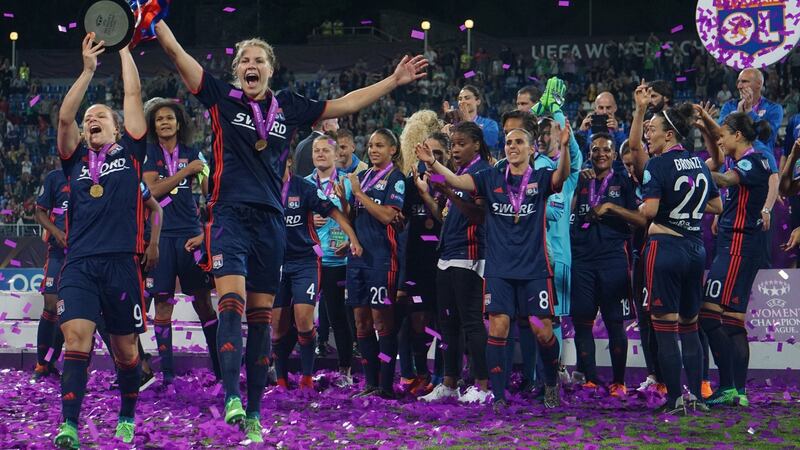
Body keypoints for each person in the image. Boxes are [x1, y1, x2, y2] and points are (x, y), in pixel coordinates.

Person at [153, 20, 426, 441]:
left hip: (270, 222)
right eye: (244, 59)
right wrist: (154, 19)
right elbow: (175, 53)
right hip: (228, 215)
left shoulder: (288, 105)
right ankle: (231, 396)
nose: (251, 64)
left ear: (270, 69)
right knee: (231, 303)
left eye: (258, 59)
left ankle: (256, 414)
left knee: (262, 320)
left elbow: (345, 105)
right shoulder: (220, 97)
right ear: (236, 70)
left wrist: (394, 80)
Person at [54, 33, 163, 447]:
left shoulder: (132, 155)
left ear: (119, 128)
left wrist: (123, 49)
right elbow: (65, 118)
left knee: (126, 354)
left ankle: (127, 415)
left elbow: (133, 92)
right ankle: (69, 424)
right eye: (89, 119)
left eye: (100, 116)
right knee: (76, 337)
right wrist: (87, 71)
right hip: (80, 263)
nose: (91, 120)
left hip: (122, 265)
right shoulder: (75, 162)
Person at [418, 123, 572, 408]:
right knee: (498, 328)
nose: (512, 147)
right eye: (508, 143)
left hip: (534, 272)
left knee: (542, 330)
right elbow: (458, 181)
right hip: (500, 271)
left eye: (518, 142)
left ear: (532, 149)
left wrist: (563, 148)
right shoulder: (491, 178)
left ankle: (550, 383)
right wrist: (434, 163)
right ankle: (498, 396)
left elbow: (562, 176)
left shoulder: (540, 178)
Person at [637, 100, 722, 415]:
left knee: (664, 326)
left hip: (666, 248)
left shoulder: (657, 165)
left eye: (653, 129)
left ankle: (674, 400)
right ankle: (698, 397)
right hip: (696, 249)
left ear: (670, 134)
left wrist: (637, 210)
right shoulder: (700, 163)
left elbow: (651, 210)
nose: (649, 134)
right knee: (690, 325)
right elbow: (717, 207)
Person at [141, 98, 221, 386]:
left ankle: (220, 370)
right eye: (159, 119)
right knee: (163, 304)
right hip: (161, 236)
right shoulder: (149, 153)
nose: (164, 122)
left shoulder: (193, 152)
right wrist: (186, 172)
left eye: (170, 118)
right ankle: (167, 375)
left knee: (203, 303)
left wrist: (206, 175)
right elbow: (153, 191)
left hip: (190, 235)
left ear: (179, 123)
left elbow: (209, 191)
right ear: (154, 124)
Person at [272, 150, 361, 391]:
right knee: (278, 327)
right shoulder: (263, 188)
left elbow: (333, 211)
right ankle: (280, 378)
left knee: (303, 320)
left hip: (304, 261)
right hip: (275, 264)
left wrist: (352, 236)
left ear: (289, 161)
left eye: (279, 158)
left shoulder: (303, 187)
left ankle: (307, 379)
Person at [419, 122, 492, 404]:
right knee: (448, 325)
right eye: (454, 144)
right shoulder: (458, 173)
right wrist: (427, 191)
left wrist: (448, 190)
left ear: (476, 144)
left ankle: (483, 385)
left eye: (462, 143)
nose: (456, 149)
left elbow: (479, 215)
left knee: (472, 323)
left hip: (471, 256)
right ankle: (449, 383)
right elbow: (445, 215)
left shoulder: (483, 171)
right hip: (447, 254)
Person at [702, 113, 771, 408]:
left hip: (738, 246)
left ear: (739, 136)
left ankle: (730, 386)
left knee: (710, 314)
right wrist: (705, 123)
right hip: (737, 244)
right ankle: (737, 391)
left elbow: (725, 178)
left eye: (725, 135)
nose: (721, 139)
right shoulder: (751, 159)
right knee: (731, 320)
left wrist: (695, 173)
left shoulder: (751, 163)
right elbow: (724, 165)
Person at [569, 133, 646, 396]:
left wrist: (610, 207)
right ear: (589, 154)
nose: (600, 153)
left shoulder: (623, 182)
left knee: (615, 323)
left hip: (613, 259)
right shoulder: (581, 180)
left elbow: (640, 220)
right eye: (595, 149)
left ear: (614, 156)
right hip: (582, 260)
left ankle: (619, 382)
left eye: (606, 150)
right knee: (582, 322)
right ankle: (589, 379)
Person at [343, 129, 406, 399]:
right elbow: (353, 216)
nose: (373, 150)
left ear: (393, 150)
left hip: (382, 259)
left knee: (383, 323)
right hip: (357, 260)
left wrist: (359, 195)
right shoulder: (365, 177)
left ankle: (386, 385)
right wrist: (346, 202)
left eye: (379, 145)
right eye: (370, 145)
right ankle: (370, 383)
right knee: (361, 323)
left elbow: (387, 217)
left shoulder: (396, 178)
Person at [307, 132, 357, 387]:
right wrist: (309, 220)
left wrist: (350, 240)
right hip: (308, 262)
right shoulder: (303, 184)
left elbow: (358, 220)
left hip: (338, 263)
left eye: (325, 150)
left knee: (338, 317)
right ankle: (304, 372)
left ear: (337, 155)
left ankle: (345, 371)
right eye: (316, 150)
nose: (320, 154)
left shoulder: (349, 183)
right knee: (301, 317)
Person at [33, 168, 68, 380]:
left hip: (86, 252)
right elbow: (39, 211)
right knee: (51, 304)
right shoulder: (54, 176)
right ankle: (42, 363)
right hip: (57, 252)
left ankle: (55, 360)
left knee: (73, 310)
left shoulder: (95, 172)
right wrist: (56, 232)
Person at [454, 85, 501, 156]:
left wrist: (470, 123)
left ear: (478, 101)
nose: (462, 101)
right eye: (460, 99)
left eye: (467, 98)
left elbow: (492, 141)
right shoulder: (454, 125)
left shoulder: (490, 123)